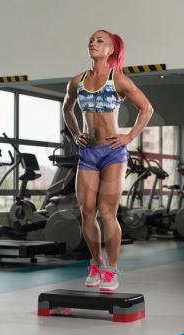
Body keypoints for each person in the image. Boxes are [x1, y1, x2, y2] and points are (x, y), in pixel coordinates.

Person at [62, 29, 154, 291]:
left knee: (106, 212)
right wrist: (76, 132)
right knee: (86, 212)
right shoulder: (76, 81)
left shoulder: (119, 81)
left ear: (111, 49)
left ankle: (111, 271)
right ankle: (95, 263)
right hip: (88, 154)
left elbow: (147, 109)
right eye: (91, 39)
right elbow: (67, 108)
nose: (93, 42)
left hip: (113, 153)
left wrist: (129, 137)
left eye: (99, 40)